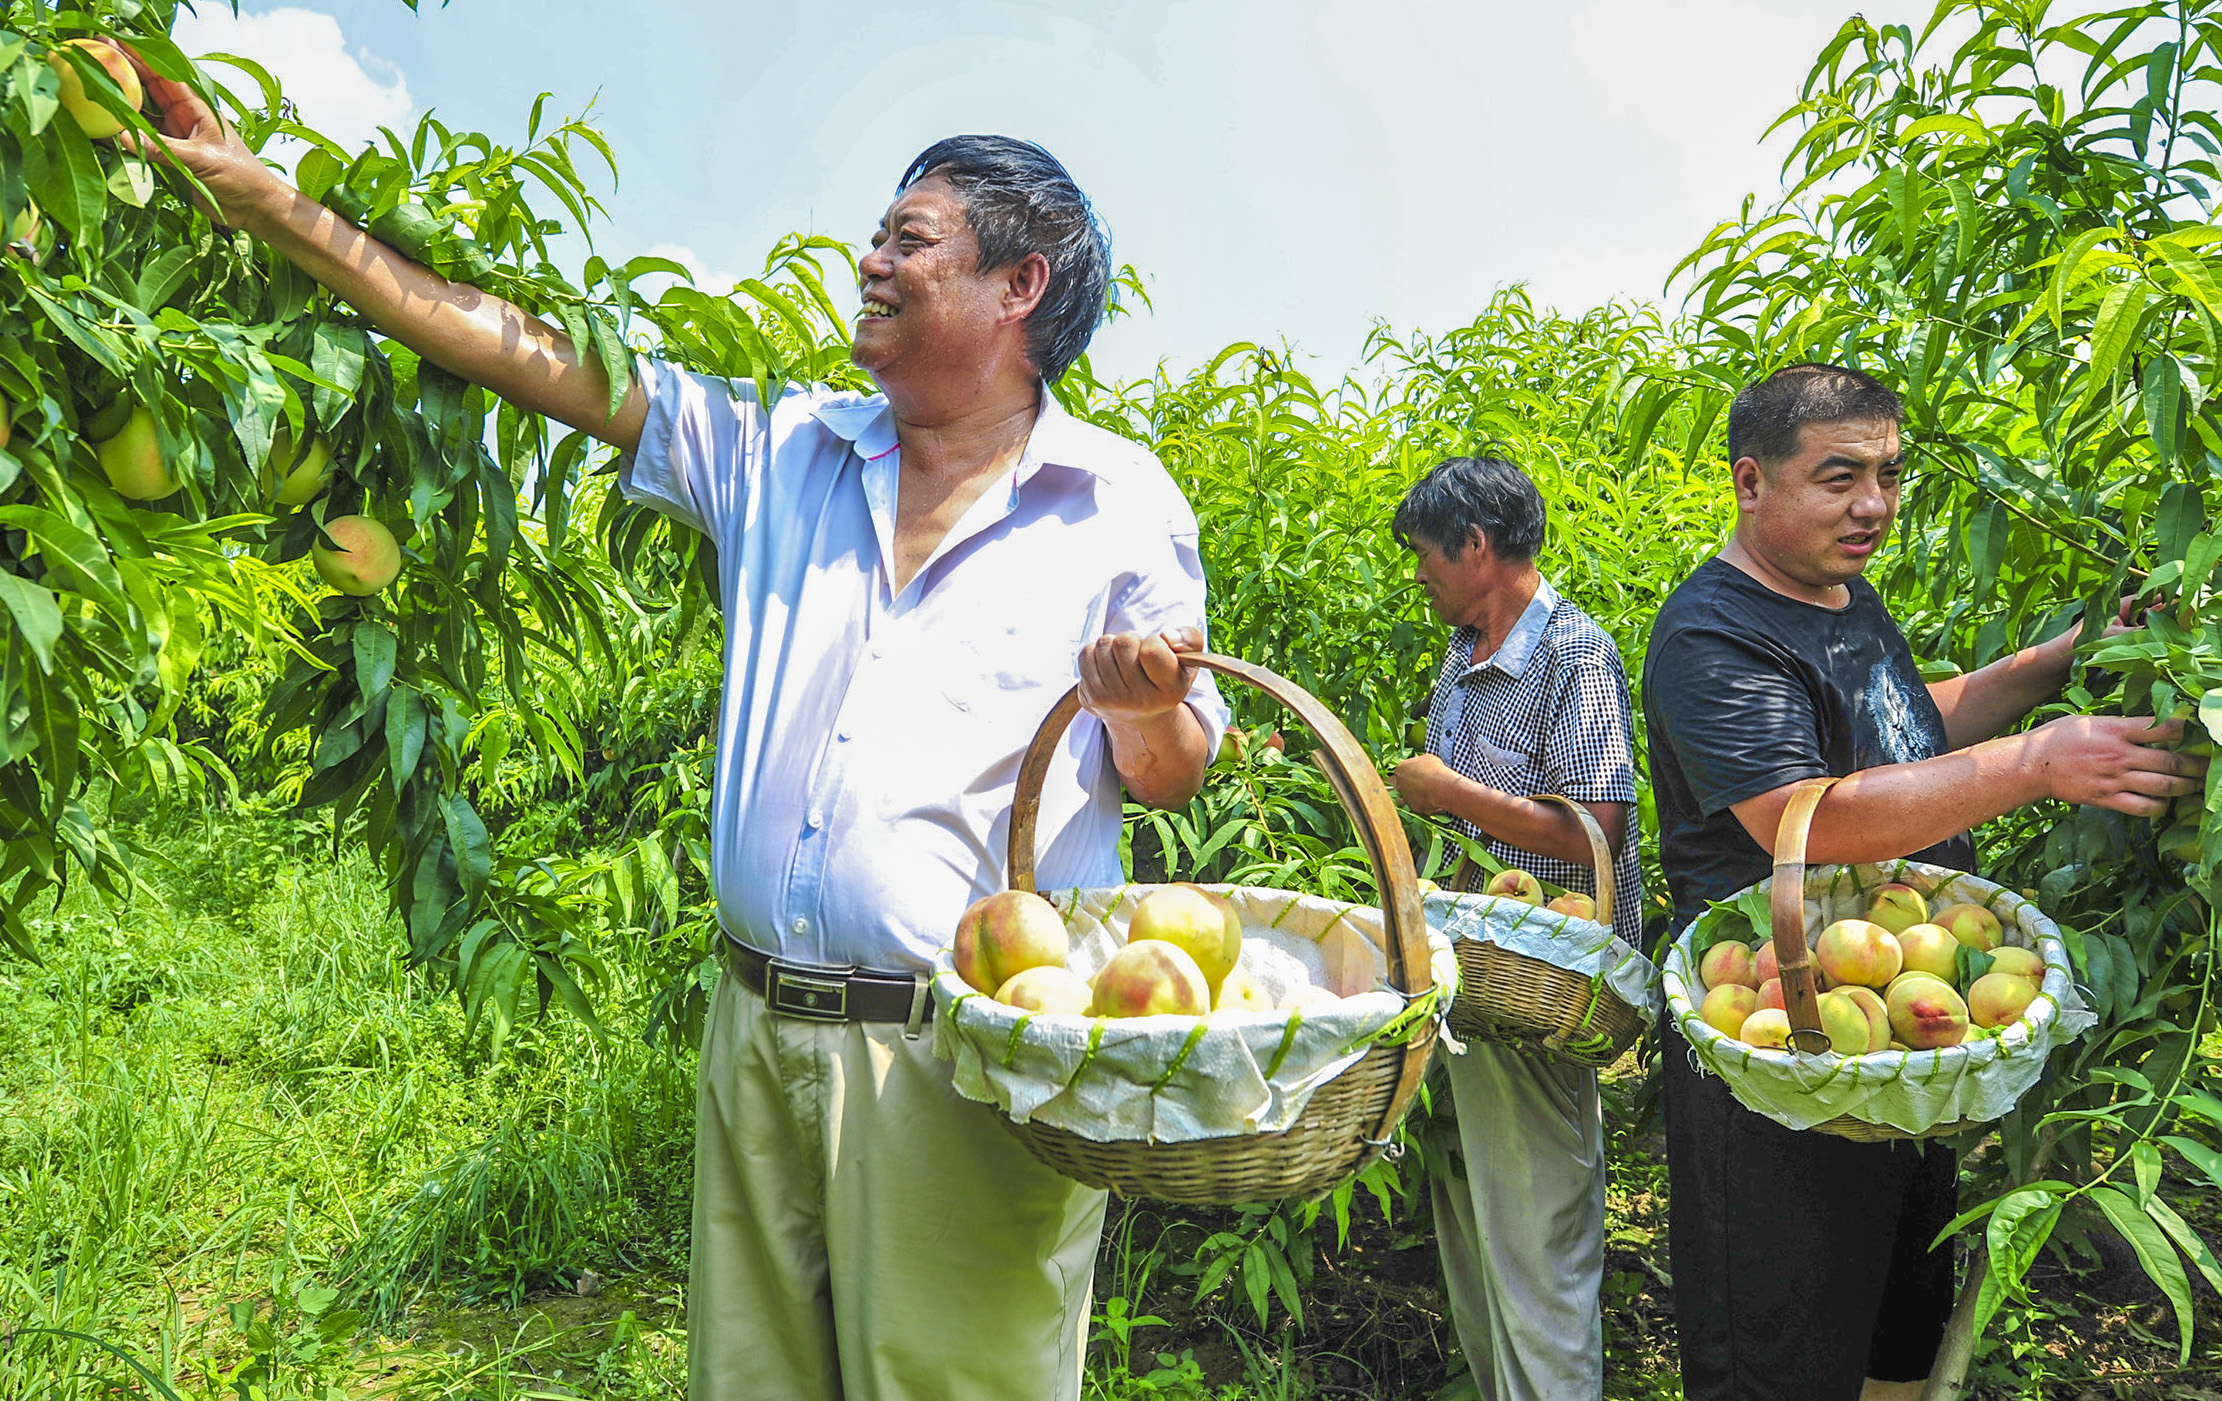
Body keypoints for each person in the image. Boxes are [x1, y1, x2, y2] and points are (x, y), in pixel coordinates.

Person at [137, 68, 1232, 1401]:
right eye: (878, 235)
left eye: (910, 239)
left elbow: (1172, 772)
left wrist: (1140, 706)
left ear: (1019, 287)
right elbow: (522, 351)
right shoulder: (784, 453)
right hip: (758, 1026)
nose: (870, 260)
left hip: (967, 1063)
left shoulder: (1114, 503)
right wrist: (279, 208)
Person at [1644, 363, 2205, 1401]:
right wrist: (2034, 762)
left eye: (1889, 476)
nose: (1872, 506)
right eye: (1838, 477)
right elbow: (1803, 817)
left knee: (1890, 1332)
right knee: (1781, 1351)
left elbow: (1897, 726)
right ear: (1748, 483)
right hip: (1781, 1050)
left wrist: (2066, 655)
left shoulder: (1836, 592)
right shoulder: (1708, 634)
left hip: (1898, 1033)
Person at [1389, 454, 1644, 1401]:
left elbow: (1595, 831)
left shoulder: (1572, 652)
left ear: (1478, 546)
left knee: (1539, 1219)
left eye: (1426, 553)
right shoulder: (1464, 654)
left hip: (1547, 978)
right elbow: (1467, 839)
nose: (1419, 572)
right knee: (1471, 1197)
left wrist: (1449, 791)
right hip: (1474, 966)